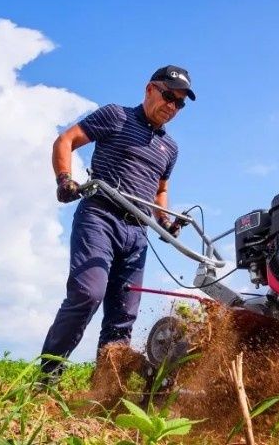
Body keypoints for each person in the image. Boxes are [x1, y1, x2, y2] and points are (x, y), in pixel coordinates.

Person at [39, 65, 196, 380]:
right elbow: (66, 139)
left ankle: (104, 393)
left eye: (180, 103)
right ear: (150, 89)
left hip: (137, 232)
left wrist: (164, 221)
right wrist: (64, 179)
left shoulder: (171, 148)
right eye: (169, 96)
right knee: (87, 293)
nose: (172, 107)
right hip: (100, 216)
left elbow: (161, 189)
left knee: (123, 317)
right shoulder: (116, 116)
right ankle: (47, 377)